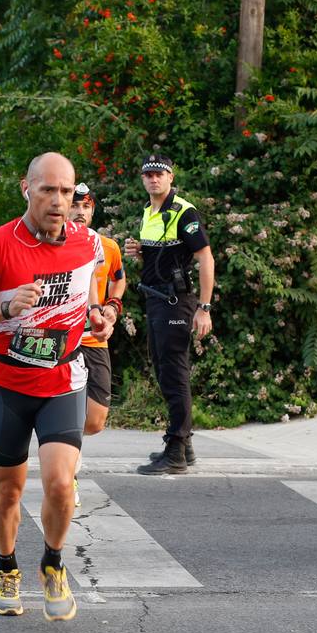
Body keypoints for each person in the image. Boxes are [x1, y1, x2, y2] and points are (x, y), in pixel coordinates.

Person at [0, 152, 113, 620]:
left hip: (62, 378)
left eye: (66, 191)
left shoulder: (87, 244)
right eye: (48, 190)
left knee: (61, 484)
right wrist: (4, 310)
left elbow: (86, 298)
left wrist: (97, 318)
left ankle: (53, 562)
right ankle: (6, 567)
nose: (58, 201)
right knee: (9, 490)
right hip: (8, 382)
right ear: (27, 189)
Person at [123, 154, 215, 475]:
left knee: (174, 374)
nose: (153, 179)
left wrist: (204, 308)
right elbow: (166, 255)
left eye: (159, 174)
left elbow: (205, 257)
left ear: (171, 177)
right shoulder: (149, 212)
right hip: (156, 300)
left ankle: (175, 449)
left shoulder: (183, 211)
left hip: (177, 302)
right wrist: (141, 253)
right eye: (148, 174)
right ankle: (184, 445)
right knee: (164, 370)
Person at [69, 182, 126, 506]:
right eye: (75, 205)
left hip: (96, 340)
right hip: (65, 341)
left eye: (86, 207)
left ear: (93, 211)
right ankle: (66, 471)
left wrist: (113, 306)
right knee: (69, 415)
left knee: (95, 421)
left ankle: (61, 445)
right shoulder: (56, 245)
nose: (80, 212)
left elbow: (119, 277)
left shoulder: (107, 246)